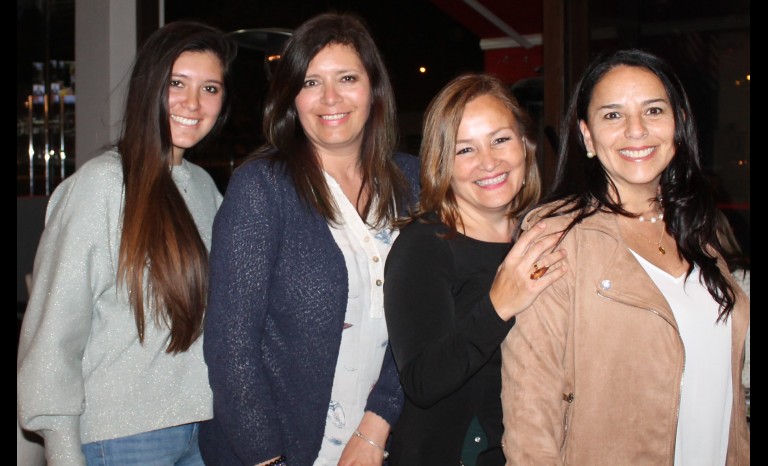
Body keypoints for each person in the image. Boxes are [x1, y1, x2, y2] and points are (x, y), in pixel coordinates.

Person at [499, 49, 750, 465]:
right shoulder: (557, 236)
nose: (636, 130)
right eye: (613, 115)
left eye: (653, 110)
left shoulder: (698, 233)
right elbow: (530, 402)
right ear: (587, 136)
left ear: (679, 124)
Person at [199, 12, 420, 466]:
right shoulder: (262, 187)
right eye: (311, 82)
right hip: (280, 453)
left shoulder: (411, 182)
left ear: (374, 90)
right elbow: (230, 346)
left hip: (384, 444)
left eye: (346, 78)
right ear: (292, 98)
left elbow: (423, 322)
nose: (330, 97)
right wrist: (268, 458)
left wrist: (378, 425)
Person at [17, 20, 236, 465]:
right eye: (177, 83)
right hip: (121, 439)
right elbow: (53, 333)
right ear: (150, 86)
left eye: (210, 88)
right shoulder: (101, 187)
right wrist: (60, 447)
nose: (194, 103)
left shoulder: (203, 186)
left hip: (203, 431)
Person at [383, 73, 567, 465]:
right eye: (465, 150)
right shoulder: (425, 245)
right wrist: (499, 304)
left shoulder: (540, 233)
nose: (489, 162)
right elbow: (421, 381)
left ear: (525, 143)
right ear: (441, 163)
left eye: (500, 139)